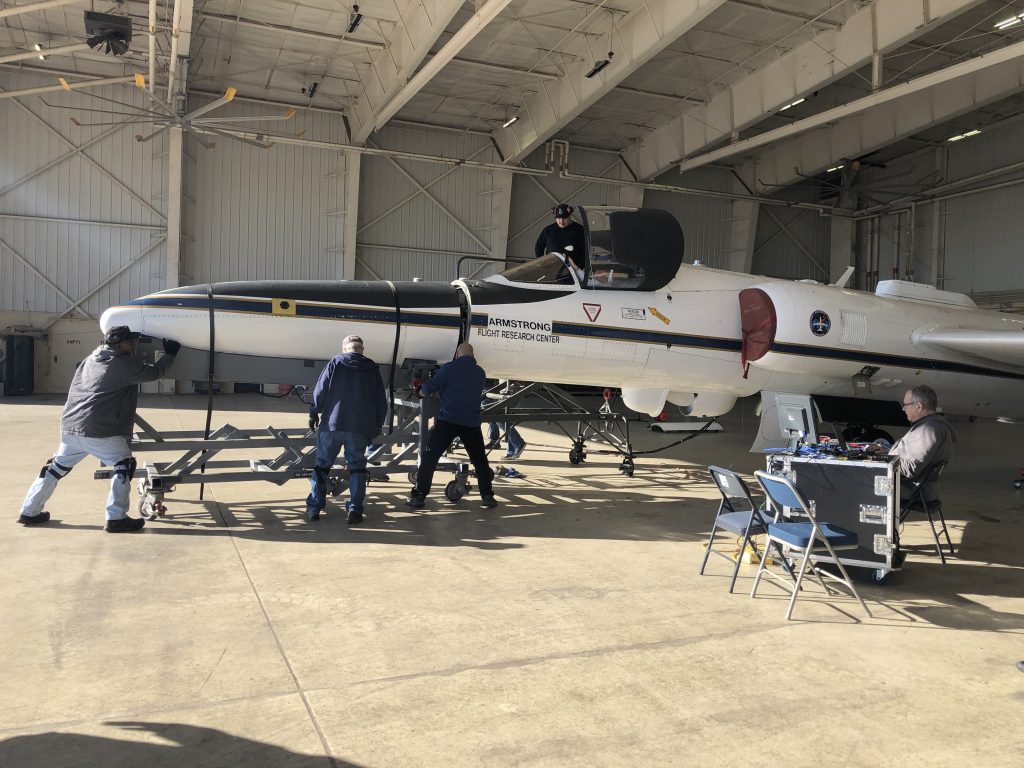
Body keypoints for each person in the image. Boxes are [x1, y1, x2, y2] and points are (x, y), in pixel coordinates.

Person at [17, 326, 179, 532]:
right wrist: (170, 354)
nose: (133, 345)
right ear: (120, 344)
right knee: (123, 465)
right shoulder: (122, 363)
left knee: (55, 468)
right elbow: (154, 373)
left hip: (71, 427)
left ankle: (29, 511)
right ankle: (116, 517)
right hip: (100, 430)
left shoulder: (90, 359)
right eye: (130, 342)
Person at [306, 334, 388, 524]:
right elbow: (380, 401)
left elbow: (321, 389)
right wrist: (376, 427)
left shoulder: (336, 362)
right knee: (357, 469)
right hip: (359, 428)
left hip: (332, 425)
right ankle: (354, 511)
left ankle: (314, 508)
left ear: (345, 349)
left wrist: (313, 413)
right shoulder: (372, 368)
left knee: (321, 467)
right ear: (361, 349)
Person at [408, 342, 496, 509]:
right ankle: (487, 497)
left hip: (448, 421)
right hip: (471, 423)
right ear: (473, 355)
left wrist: (418, 389)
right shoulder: (480, 372)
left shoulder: (448, 369)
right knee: (480, 461)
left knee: (430, 458)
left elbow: (427, 390)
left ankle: (419, 495)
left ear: (457, 354)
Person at [869, 384, 956, 503]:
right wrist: (885, 449)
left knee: (852, 479)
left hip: (909, 490)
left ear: (919, 406)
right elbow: (912, 451)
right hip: (914, 487)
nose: (903, 409)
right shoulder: (932, 425)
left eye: (906, 405)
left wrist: (877, 458)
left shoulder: (929, 429)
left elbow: (910, 468)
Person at [535, 203, 587, 277]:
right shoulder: (548, 230)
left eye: (564, 218)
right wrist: (541, 264)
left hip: (572, 273)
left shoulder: (580, 230)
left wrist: (579, 268)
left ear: (570, 216)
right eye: (558, 218)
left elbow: (585, 250)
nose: (561, 221)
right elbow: (539, 246)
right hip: (551, 270)